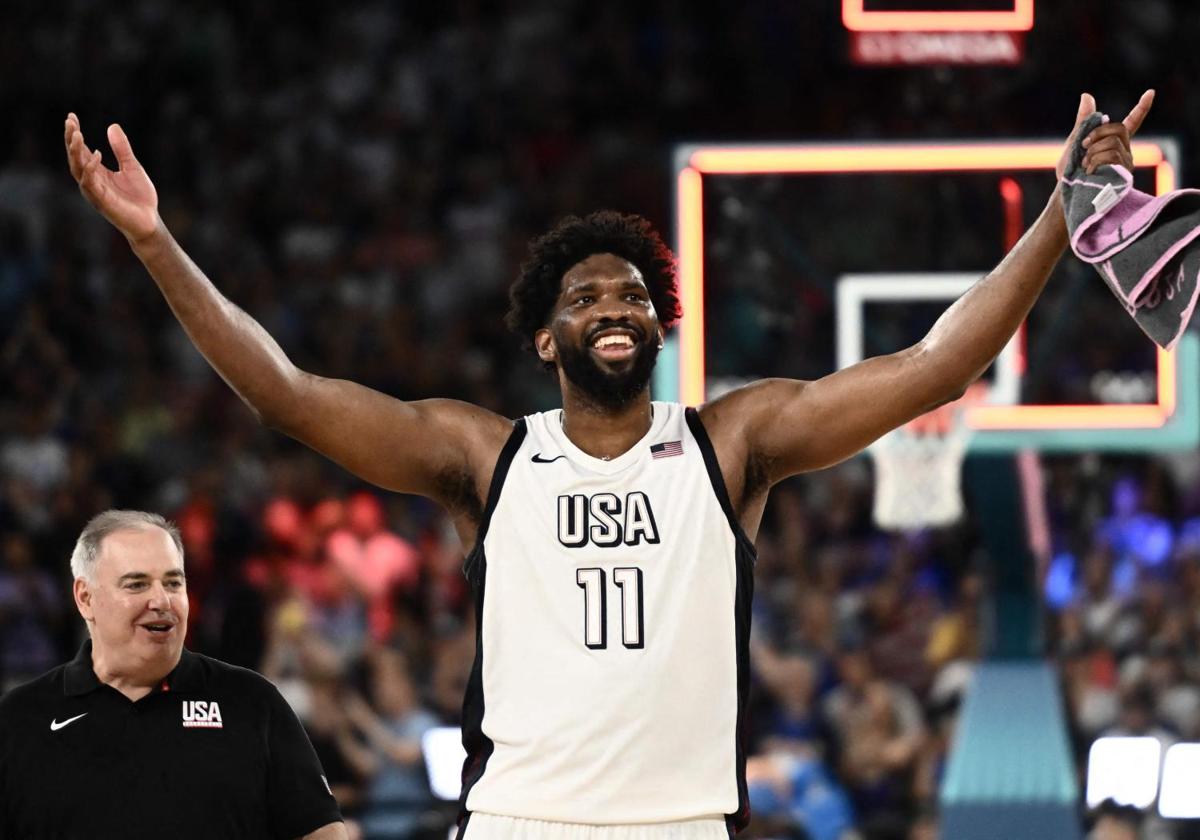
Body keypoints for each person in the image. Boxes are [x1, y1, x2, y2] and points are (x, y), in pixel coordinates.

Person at [61, 90, 1152, 839]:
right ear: (547, 337)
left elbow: (934, 363)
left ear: (660, 324)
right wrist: (157, 242)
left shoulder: (733, 442)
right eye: (586, 296)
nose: (615, 306)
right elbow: (285, 397)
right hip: (518, 819)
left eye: (632, 293)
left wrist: (1059, 213)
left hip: (683, 819)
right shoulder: (484, 456)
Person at [0, 509, 347, 839]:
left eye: (173, 583)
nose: (161, 600)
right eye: (136, 584)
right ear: (86, 598)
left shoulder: (252, 700)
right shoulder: (20, 718)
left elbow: (320, 828)